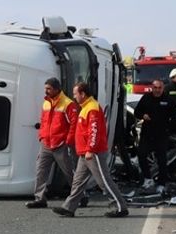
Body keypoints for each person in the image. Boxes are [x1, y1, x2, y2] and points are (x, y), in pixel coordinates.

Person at [55, 82, 131, 218]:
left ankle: (120, 207)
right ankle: (69, 208)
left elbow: (94, 131)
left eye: (75, 94)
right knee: (78, 182)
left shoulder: (92, 108)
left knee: (103, 181)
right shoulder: (86, 107)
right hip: (85, 152)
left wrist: (90, 149)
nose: (74, 97)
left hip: (92, 152)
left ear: (83, 94)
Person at [25, 77, 78, 209]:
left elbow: (74, 124)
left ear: (56, 89)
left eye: (48, 89)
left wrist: (68, 141)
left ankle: (80, 196)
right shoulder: (46, 103)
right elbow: (43, 120)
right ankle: (39, 198)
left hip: (60, 144)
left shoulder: (68, 104)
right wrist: (41, 136)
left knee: (69, 172)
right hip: (46, 143)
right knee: (40, 171)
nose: (46, 91)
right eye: (45, 88)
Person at [133, 79, 176, 193]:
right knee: (141, 155)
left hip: (161, 135)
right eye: (155, 88)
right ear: (152, 88)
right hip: (147, 134)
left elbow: (175, 118)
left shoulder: (168, 100)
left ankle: (162, 183)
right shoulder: (146, 98)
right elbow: (136, 112)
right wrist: (143, 115)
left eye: (160, 88)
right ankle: (148, 179)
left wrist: (169, 128)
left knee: (162, 160)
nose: (157, 90)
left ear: (163, 88)